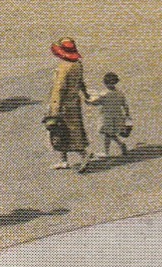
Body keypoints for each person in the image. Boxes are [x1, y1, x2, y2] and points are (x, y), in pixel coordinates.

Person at [46, 38, 91, 171]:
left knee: (62, 131)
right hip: (74, 102)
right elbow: (81, 82)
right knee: (71, 130)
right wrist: (86, 94)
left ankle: (83, 156)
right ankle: (63, 160)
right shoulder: (77, 64)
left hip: (63, 105)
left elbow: (58, 90)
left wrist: (54, 109)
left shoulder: (64, 68)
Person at [89, 71, 131, 158]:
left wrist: (87, 100)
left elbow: (96, 102)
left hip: (107, 117)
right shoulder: (119, 93)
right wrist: (127, 115)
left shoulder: (104, 94)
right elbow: (125, 105)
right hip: (117, 116)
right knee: (110, 134)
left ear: (105, 83)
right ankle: (118, 146)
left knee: (108, 134)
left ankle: (109, 151)